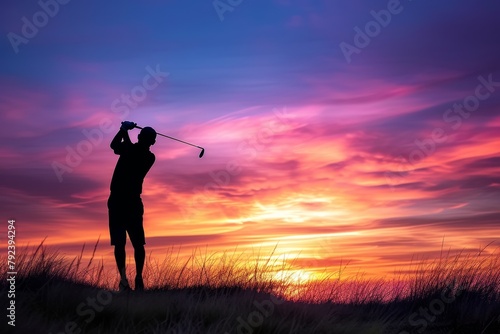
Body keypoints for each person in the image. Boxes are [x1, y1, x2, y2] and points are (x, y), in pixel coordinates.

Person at [108, 121, 156, 291]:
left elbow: (126, 149)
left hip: (131, 202)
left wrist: (123, 129)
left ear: (151, 142)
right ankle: (124, 280)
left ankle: (138, 278)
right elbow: (114, 145)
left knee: (137, 243)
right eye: (143, 136)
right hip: (117, 201)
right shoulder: (131, 149)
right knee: (120, 243)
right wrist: (122, 131)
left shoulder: (148, 157)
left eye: (146, 138)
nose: (143, 139)